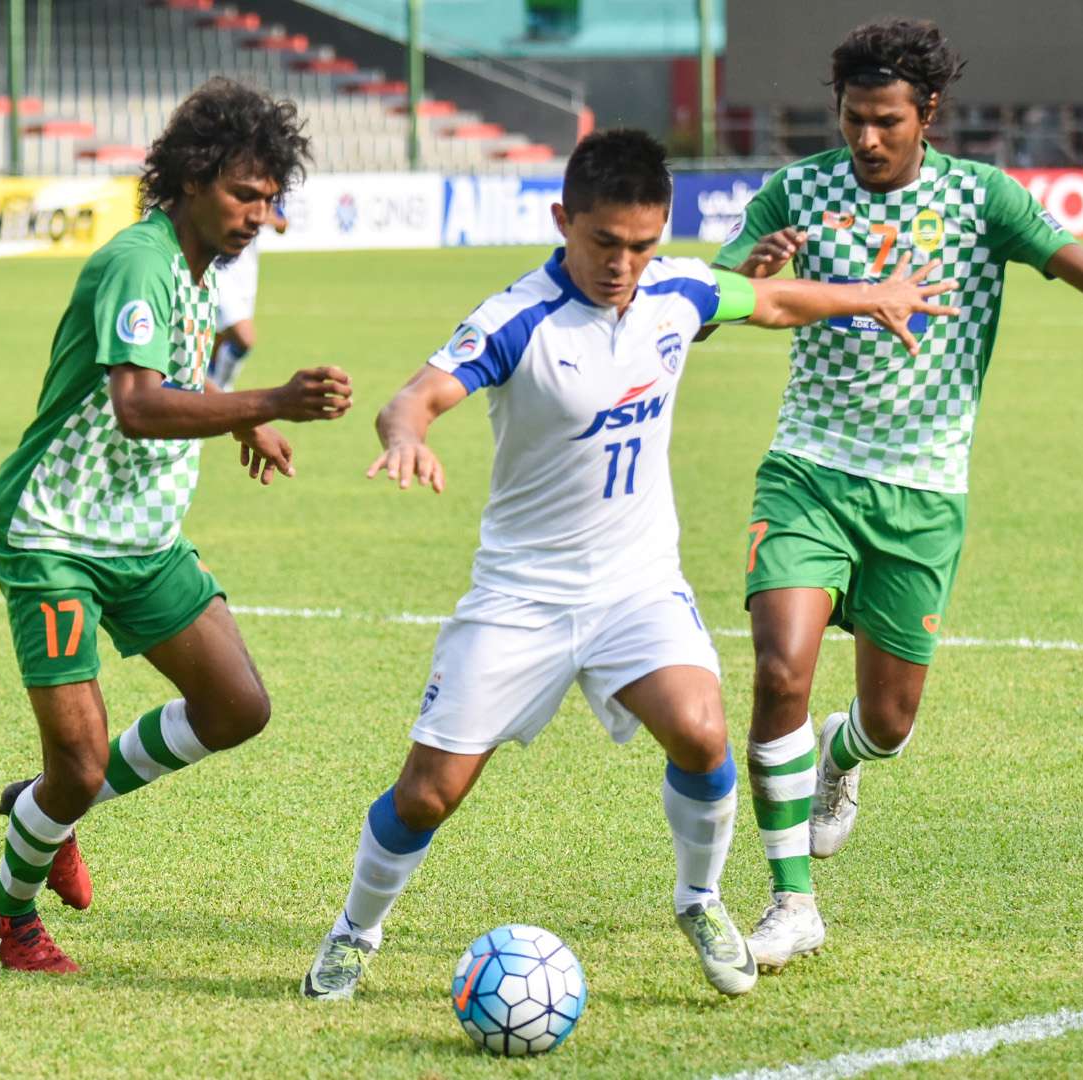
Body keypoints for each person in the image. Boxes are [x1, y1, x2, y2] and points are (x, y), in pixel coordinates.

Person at [300, 129, 956, 1001]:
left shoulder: (675, 289)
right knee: (428, 792)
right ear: (563, 219)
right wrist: (406, 439)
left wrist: (872, 295)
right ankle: (355, 932)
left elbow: (770, 301)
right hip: (520, 596)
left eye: (642, 244)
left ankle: (699, 898)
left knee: (702, 729)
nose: (623, 264)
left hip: (636, 587)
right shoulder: (517, 317)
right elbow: (412, 397)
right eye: (604, 242)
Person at [708, 18, 1083, 974]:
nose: (867, 140)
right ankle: (790, 901)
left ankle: (840, 759)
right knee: (778, 671)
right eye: (852, 121)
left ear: (928, 113)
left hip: (923, 494)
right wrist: (737, 278)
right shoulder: (796, 191)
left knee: (887, 722)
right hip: (809, 471)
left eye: (886, 121)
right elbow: (706, 305)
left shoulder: (982, 199)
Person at [0, 78, 355, 974]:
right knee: (73, 764)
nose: (259, 213)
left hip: (141, 537)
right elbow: (138, 406)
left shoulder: (197, 268)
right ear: (188, 179)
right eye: (243, 193)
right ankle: (9, 910)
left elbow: (178, 375)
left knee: (236, 708)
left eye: (270, 196)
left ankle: (49, 808)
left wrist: (240, 417)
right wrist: (271, 400)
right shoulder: (141, 262)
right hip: (56, 537)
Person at [206, 204, 290, 390]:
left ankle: (206, 390)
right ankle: (219, 393)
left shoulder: (263, 190)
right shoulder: (220, 185)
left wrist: (263, 216)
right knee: (244, 338)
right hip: (219, 271)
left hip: (246, 278)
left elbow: (282, 224)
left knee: (219, 341)